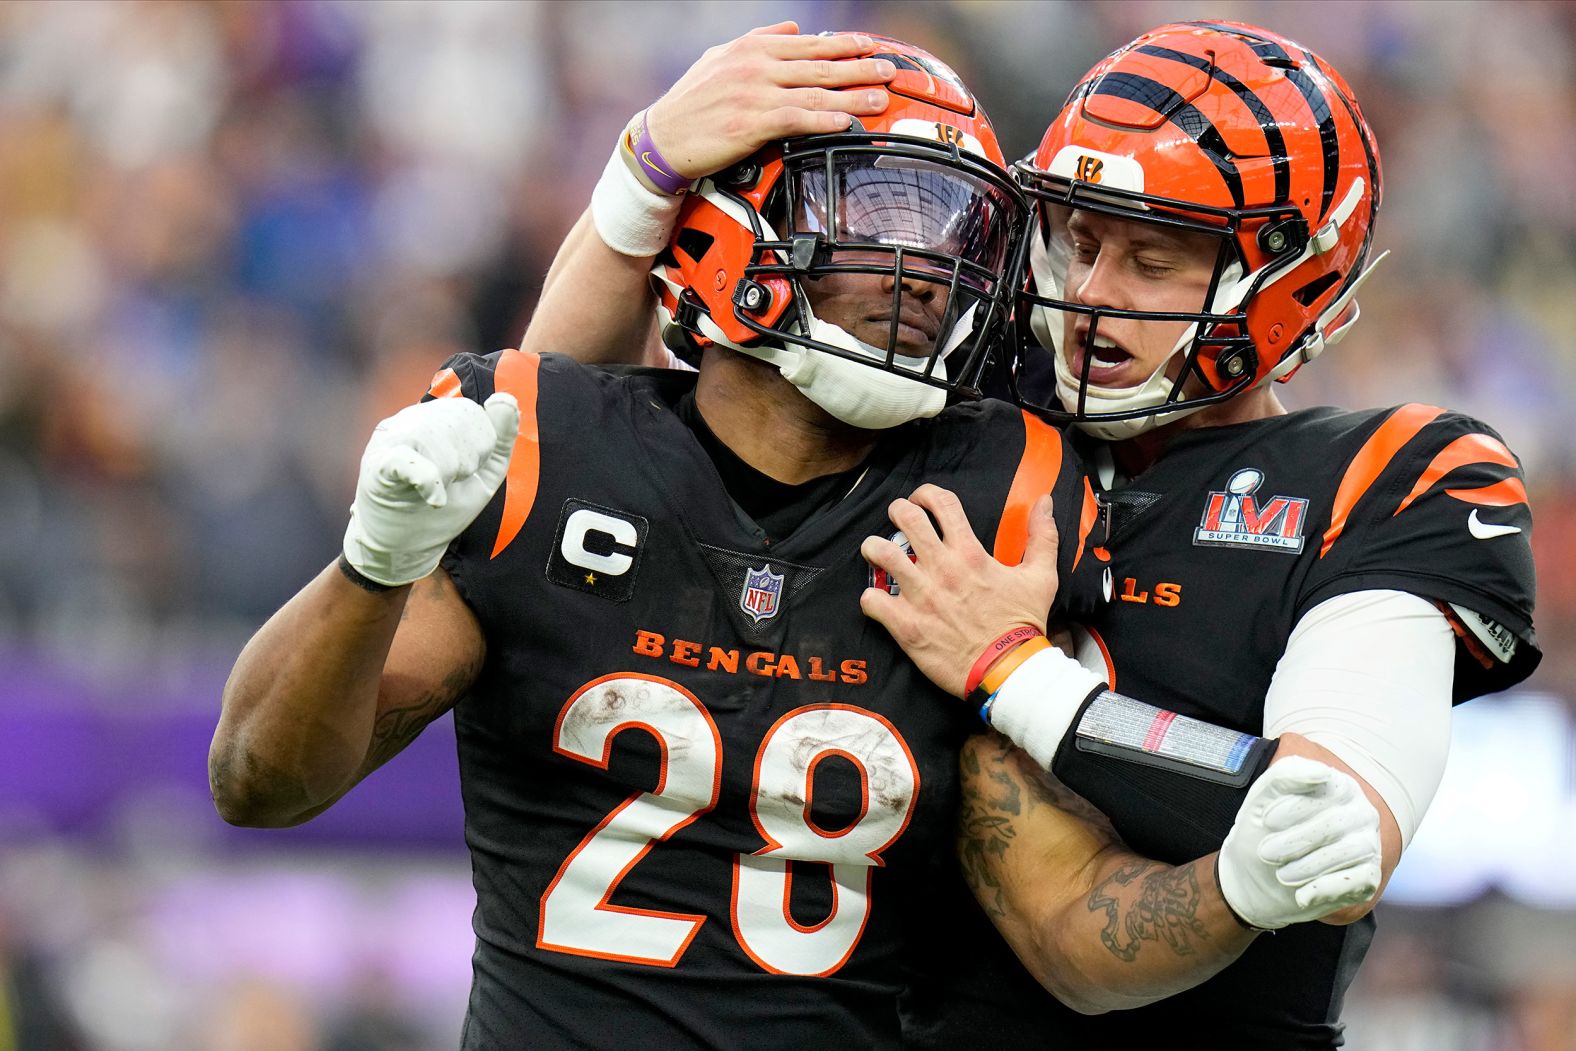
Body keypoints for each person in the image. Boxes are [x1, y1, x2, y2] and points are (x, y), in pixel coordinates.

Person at [209, 29, 1122, 1050]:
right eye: (866, 210)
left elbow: (1068, 919)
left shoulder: (1005, 492)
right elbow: (258, 779)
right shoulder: (560, 449)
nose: (922, 267)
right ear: (725, 227)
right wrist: (373, 567)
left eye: (952, 225)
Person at [859, 20, 1541, 1047]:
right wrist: (640, 189)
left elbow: (1324, 837)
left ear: (1284, 280)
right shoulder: (965, 410)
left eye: (1150, 258)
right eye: (1079, 240)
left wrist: (1017, 673)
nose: (1090, 295)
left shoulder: (1389, 475)